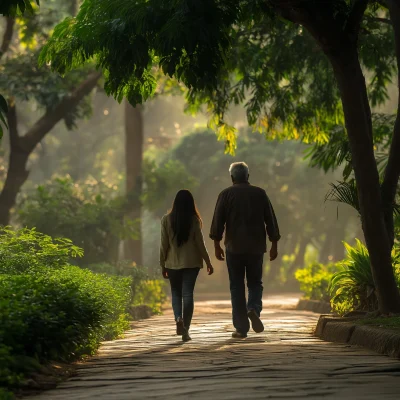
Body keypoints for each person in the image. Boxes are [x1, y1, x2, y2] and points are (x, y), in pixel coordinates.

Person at [210, 162, 281, 339]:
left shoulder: (225, 195)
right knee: (255, 283)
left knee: (236, 286)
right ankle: (253, 309)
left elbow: (218, 221)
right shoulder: (260, 193)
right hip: (256, 247)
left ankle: (241, 328)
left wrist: (217, 245)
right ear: (248, 176)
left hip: (234, 248)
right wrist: (274, 244)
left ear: (232, 177)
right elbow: (270, 220)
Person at [160, 189, 214, 341]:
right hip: (191, 263)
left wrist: (162, 264)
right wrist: (208, 262)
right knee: (188, 293)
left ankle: (178, 318)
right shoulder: (194, 220)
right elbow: (200, 244)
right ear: (191, 203)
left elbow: (163, 245)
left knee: (176, 293)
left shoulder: (166, 219)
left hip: (172, 262)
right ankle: (186, 330)